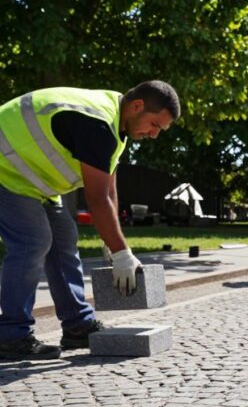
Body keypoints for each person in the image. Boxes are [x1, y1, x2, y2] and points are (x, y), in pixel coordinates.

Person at [0, 81, 180, 361]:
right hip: (6, 170)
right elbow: (96, 199)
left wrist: (114, 243)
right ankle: (11, 335)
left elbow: (109, 190)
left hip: (32, 181)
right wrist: (122, 254)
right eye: (155, 125)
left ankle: (77, 326)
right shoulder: (98, 124)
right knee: (33, 241)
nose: (154, 134)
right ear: (137, 106)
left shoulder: (116, 127)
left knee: (63, 240)